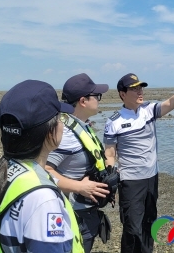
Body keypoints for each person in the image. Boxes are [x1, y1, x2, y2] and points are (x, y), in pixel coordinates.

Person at [103, 73, 174, 253]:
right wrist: (110, 179)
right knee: (132, 227)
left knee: (149, 222)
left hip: (151, 178)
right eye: (134, 88)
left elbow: (170, 102)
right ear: (122, 94)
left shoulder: (148, 110)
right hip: (130, 181)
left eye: (141, 87)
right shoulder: (114, 121)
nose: (140, 91)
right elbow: (109, 152)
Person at [0, 80, 84, 252]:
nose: (62, 123)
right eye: (59, 118)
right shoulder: (43, 199)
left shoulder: (2, 173)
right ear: (49, 133)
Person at [46, 73, 117, 253]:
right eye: (97, 96)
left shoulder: (80, 125)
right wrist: (79, 187)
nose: (99, 100)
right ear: (83, 101)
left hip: (87, 211)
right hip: (75, 214)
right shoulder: (66, 134)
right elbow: (44, 171)